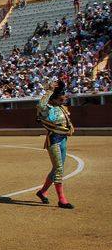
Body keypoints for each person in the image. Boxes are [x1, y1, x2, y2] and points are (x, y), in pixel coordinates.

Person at [35, 80, 75, 208]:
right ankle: (61, 199)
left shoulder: (61, 108)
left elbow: (67, 122)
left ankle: (42, 192)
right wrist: (50, 90)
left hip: (63, 140)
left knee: (57, 168)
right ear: (55, 99)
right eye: (62, 97)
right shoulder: (47, 109)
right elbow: (41, 105)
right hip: (53, 141)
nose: (65, 98)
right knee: (58, 169)